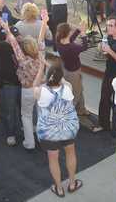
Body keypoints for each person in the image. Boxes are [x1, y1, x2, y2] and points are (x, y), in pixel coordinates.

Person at [33, 62, 83, 198]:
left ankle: (59, 188)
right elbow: (62, 80)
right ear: (60, 77)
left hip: (49, 133)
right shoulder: (67, 88)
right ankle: (72, 183)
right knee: (71, 154)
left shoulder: (40, 91)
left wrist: (41, 69)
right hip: (68, 129)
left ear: (47, 76)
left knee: (53, 159)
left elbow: (35, 85)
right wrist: (53, 69)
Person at [4, 11, 48, 150]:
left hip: (28, 90)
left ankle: (29, 143)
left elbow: (13, 43)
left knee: (26, 116)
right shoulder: (40, 52)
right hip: (42, 88)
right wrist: (44, 22)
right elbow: (41, 37)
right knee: (41, 114)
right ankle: (43, 138)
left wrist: (6, 29)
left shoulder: (23, 60)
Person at [0, 19, 21, 146]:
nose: (17, 37)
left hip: (25, 84)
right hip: (9, 85)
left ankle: (26, 128)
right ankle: (11, 133)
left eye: (17, 35)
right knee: (10, 111)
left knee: (24, 109)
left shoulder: (22, 45)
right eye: (13, 35)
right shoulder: (3, 47)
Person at [55, 21, 90, 116]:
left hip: (66, 70)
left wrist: (78, 30)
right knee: (76, 94)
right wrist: (83, 35)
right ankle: (67, 114)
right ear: (68, 33)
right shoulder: (72, 47)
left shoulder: (59, 42)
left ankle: (81, 109)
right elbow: (85, 47)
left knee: (79, 89)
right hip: (74, 73)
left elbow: (70, 39)